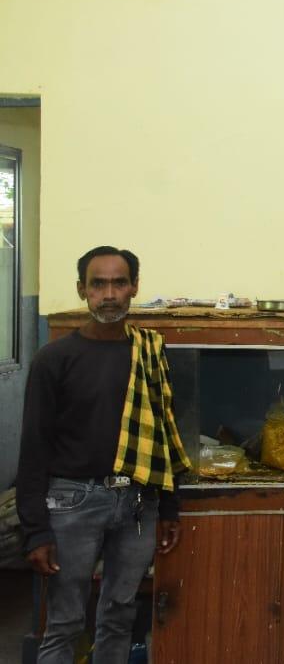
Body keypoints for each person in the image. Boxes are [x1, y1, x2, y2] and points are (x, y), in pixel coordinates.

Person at [17, 246, 190, 664]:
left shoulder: (149, 353)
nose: (109, 294)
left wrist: (169, 505)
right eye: (98, 284)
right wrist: (36, 531)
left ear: (134, 288)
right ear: (82, 290)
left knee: (119, 616)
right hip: (72, 502)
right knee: (64, 622)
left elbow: (162, 435)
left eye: (118, 283)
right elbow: (34, 447)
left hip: (137, 502)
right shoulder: (53, 359)